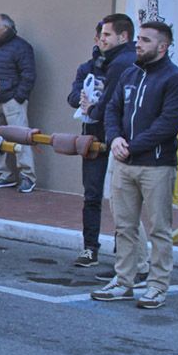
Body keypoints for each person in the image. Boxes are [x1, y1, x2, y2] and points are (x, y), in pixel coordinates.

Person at [92, 22, 178, 309]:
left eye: (146, 41)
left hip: (156, 166)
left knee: (159, 228)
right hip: (124, 162)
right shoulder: (130, 74)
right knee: (124, 227)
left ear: (162, 47)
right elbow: (112, 109)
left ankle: (157, 286)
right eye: (139, 40)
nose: (138, 45)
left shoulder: (176, 80)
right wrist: (114, 139)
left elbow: (167, 125)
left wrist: (131, 146)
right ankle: (123, 281)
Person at [67, 14, 150, 277]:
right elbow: (74, 97)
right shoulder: (88, 67)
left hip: (117, 138)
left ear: (123, 37)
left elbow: (113, 105)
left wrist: (96, 107)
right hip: (94, 134)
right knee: (93, 195)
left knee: (122, 201)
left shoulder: (124, 63)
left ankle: (133, 260)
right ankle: (91, 248)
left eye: (107, 35)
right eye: (100, 36)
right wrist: (83, 100)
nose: (101, 40)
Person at [0, 13, 37, 193]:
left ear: (5, 27)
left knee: (21, 138)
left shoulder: (22, 47)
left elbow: (28, 74)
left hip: (12, 101)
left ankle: (27, 176)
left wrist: (18, 97)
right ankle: (4, 175)